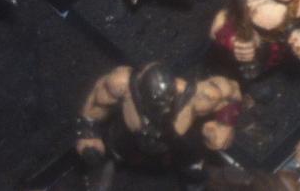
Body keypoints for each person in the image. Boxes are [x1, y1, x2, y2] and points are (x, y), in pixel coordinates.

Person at [75, 62, 241, 191]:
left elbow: (232, 91)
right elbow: (96, 106)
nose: (162, 112)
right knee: (98, 156)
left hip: (171, 150)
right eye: (154, 107)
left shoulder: (201, 96)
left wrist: (226, 122)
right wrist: (88, 132)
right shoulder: (122, 83)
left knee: (194, 170)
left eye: (166, 105)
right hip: (124, 140)